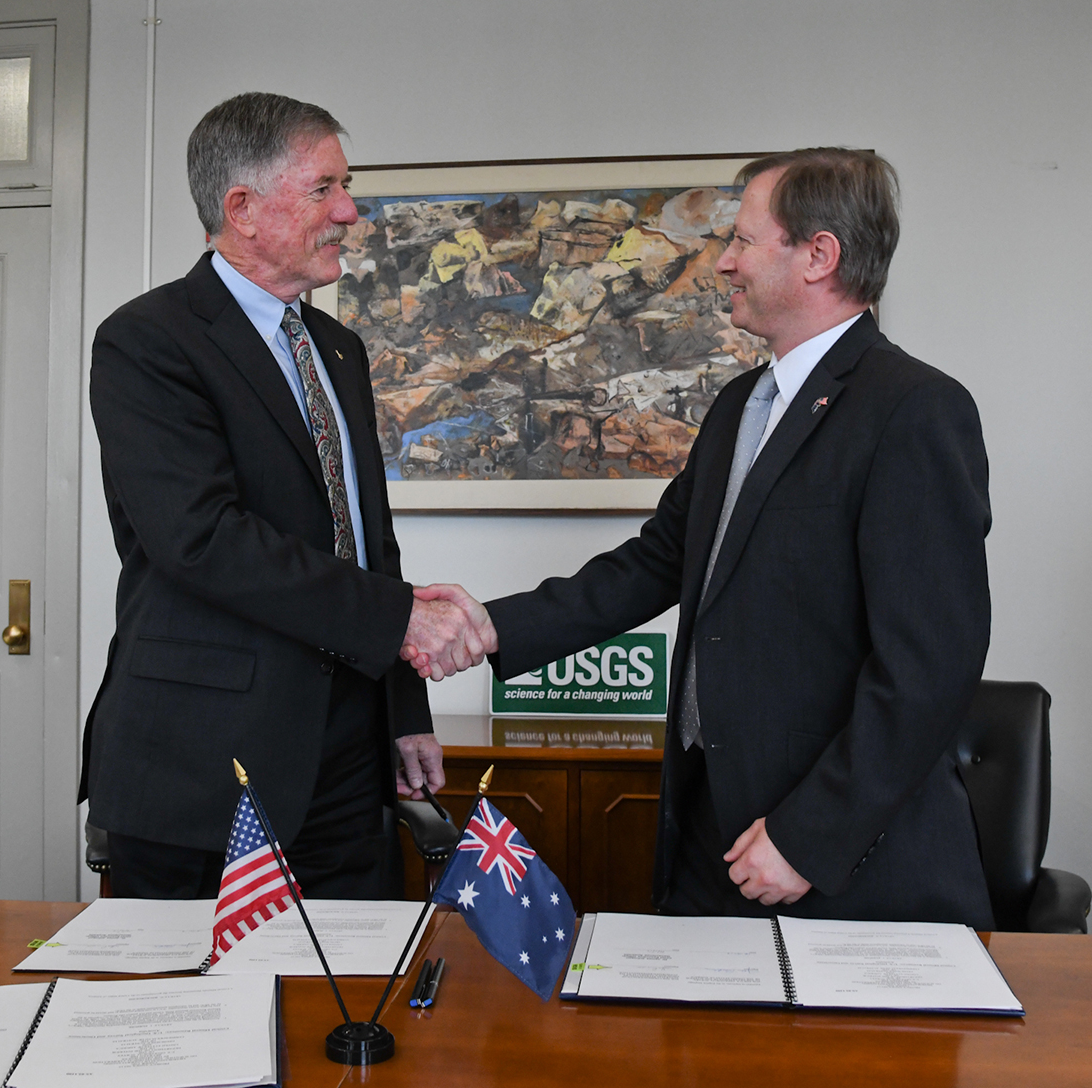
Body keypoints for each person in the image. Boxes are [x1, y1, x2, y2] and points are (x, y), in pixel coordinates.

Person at [410, 148, 994, 926]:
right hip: (711, 836)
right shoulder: (738, 408)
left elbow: (930, 666)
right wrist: (490, 628)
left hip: (839, 863)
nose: (722, 263)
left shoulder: (914, 410)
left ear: (820, 255)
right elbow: (655, 563)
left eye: (745, 241)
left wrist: (806, 837)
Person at [81, 92, 494, 899]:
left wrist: (402, 704)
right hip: (201, 761)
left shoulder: (338, 348)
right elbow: (201, 538)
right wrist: (402, 619)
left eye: (347, 185)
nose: (349, 210)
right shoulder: (147, 341)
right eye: (324, 189)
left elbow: (370, 542)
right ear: (243, 209)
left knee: (339, 1007)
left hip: (344, 758)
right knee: (185, 1014)